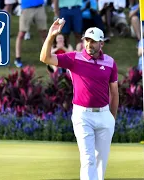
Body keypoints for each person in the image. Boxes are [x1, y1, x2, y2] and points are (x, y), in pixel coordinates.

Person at [40, 19, 119, 180]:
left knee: (101, 161)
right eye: (87, 40)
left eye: (94, 41)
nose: (89, 44)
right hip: (83, 116)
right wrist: (51, 35)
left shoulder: (110, 62)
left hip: (104, 115)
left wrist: (112, 118)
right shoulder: (74, 58)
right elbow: (45, 58)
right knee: (88, 159)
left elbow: (115, 93)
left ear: (101, 44)